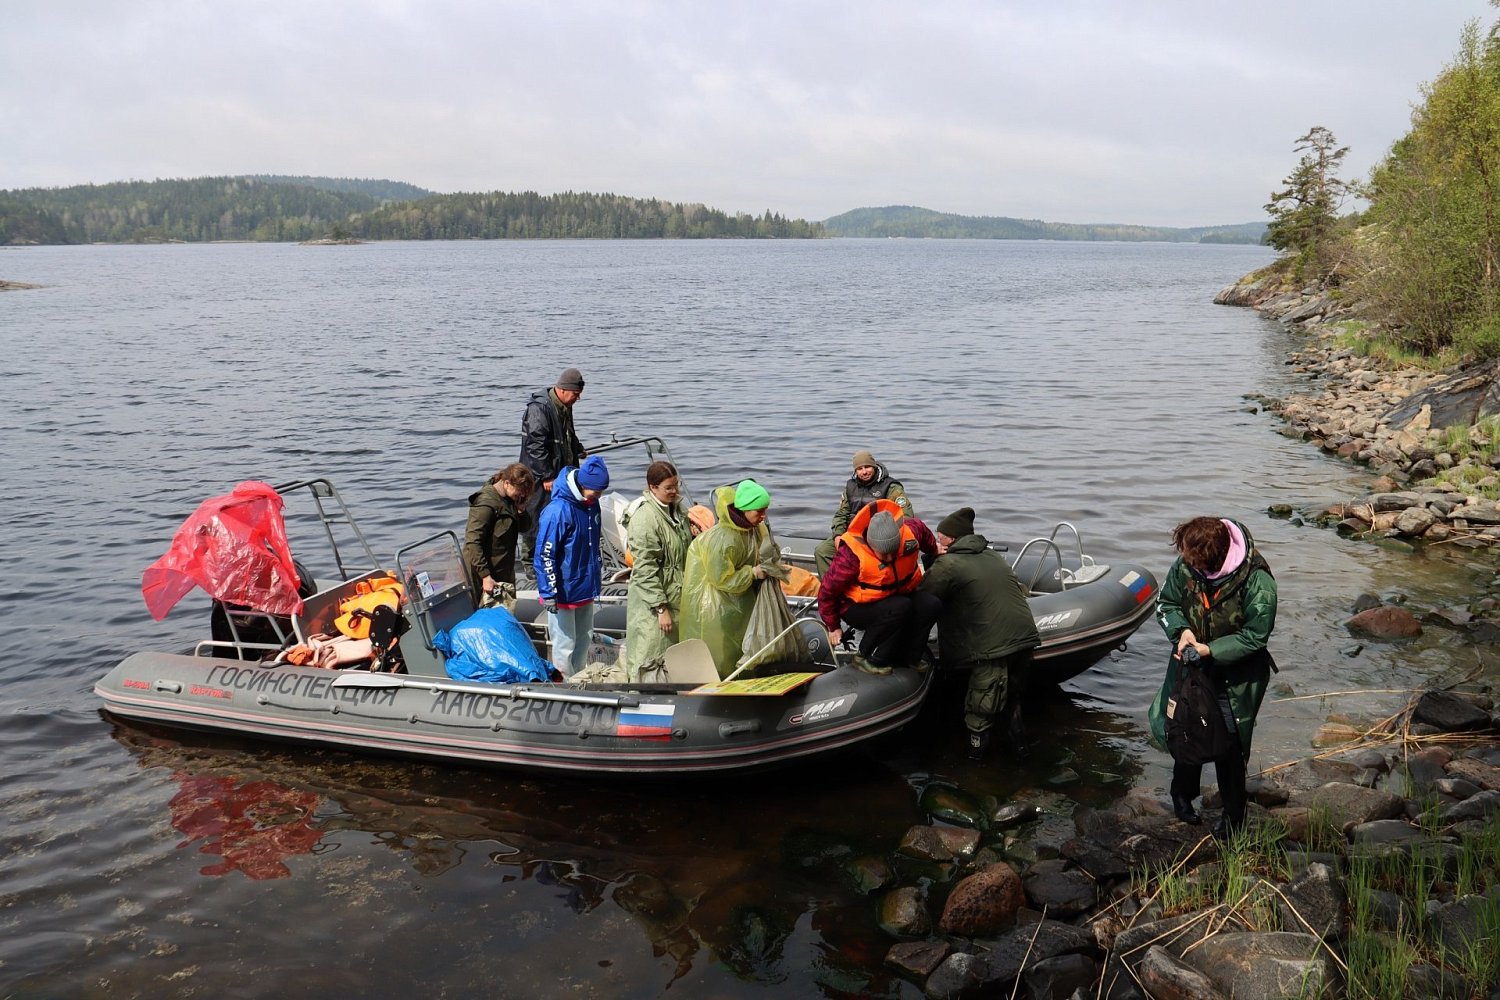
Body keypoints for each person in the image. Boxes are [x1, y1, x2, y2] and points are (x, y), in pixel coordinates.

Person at [1150, 516, 1277, 839]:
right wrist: (1182, 632)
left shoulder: (1257, 581)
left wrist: (1210, 650)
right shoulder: (1186, 565)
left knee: (1230, 744)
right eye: (1187, 558)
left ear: (1217, 556)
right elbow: (1165, 603)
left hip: (1237, 675)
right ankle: (1181, 796)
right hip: (1190, 664)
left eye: (1197, 561)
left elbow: (1255, 636)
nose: (1188, 564)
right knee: (1185, 731)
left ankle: (1234, 815)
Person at [918, 507, 1040, 760]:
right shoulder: (993, 556)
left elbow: (924, 598)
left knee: (980, 707)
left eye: (940, 536)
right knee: (1013, 700)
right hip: (1025, 637)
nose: (937, 539)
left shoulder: (949, 564)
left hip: (992, 646)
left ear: (951, 539)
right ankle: (1022, 753)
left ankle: (976, 762)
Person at [817, 497, 941, 675]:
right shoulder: (851, 556)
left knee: (931, 604)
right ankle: (866, 657)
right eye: (884, 554)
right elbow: (827, 591)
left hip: (896, 594)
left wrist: (934, 548)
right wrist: (833, 626)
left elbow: (923, 533)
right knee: (900, 606)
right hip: (857, 606)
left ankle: (911, 656)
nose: (890, 558)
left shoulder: (911, 531)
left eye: (893, 552)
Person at [680, 479, 782, 677]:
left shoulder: (752, 528)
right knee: (723, 646)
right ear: (744, 509)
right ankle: (721, 678)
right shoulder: (723, 539)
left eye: (765, 510)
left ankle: (745, 673)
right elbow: (721, 579)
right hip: (714, 600)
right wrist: (752, 573)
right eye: (759, 511)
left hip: (741, 595)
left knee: (742, 637)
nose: (763, 516)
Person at [534, 454, 611, 679]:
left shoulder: (591, 504)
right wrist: (549, 592)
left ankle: (580, 678)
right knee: (564, 643)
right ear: (582, 484)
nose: (599, 496)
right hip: (563, 590)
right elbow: (545, 555)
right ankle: (565, 683)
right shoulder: (558, 511)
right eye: (596, 491)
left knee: (584, 638)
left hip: (585, 585)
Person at [622, 461, 693, 680]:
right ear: (653, 487)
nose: (675, 491)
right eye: (669, 488)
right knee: (650, 649)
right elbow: (645, 569)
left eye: (676, 486)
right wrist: (661, 608)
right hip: (652, 600)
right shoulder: (645, 519)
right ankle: (640, 690)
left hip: (677, 590)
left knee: (675, 651)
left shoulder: (678, 510)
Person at [518, 367, 587, 561]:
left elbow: (567, 432)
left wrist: (577, 447)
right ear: (563, 390)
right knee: (537, 516)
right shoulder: (539, 409)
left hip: (562, 472)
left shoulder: (565, 405)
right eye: (575, 394)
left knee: (561, 513)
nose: (577, 398)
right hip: (540, 476)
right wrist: (546, 475)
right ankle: (530, 562)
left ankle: (557, 554)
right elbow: (535, 446)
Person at [814, 450, 915, 576]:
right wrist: (838, 535)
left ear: (873, 466)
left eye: (867, 467)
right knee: (822, 551)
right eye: (860, 468)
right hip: (854, 533)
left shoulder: (891, 487)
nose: (864, 471)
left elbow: (906, 516)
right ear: (855, 471)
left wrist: (887, 538)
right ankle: (832, 590)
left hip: (879, 535)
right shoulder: (850, 487)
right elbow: (842, 514)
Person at [462, 463, 535, 610]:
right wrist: (485, 576)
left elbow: (525, 528)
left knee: (506, 612)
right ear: (507, 483)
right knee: (485, 616)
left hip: (504, 569)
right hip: (484, 573)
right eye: (519, 492)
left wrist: (521, 510)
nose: (521, 496)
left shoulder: (510, 499)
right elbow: (473, 542)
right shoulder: (485, 503)